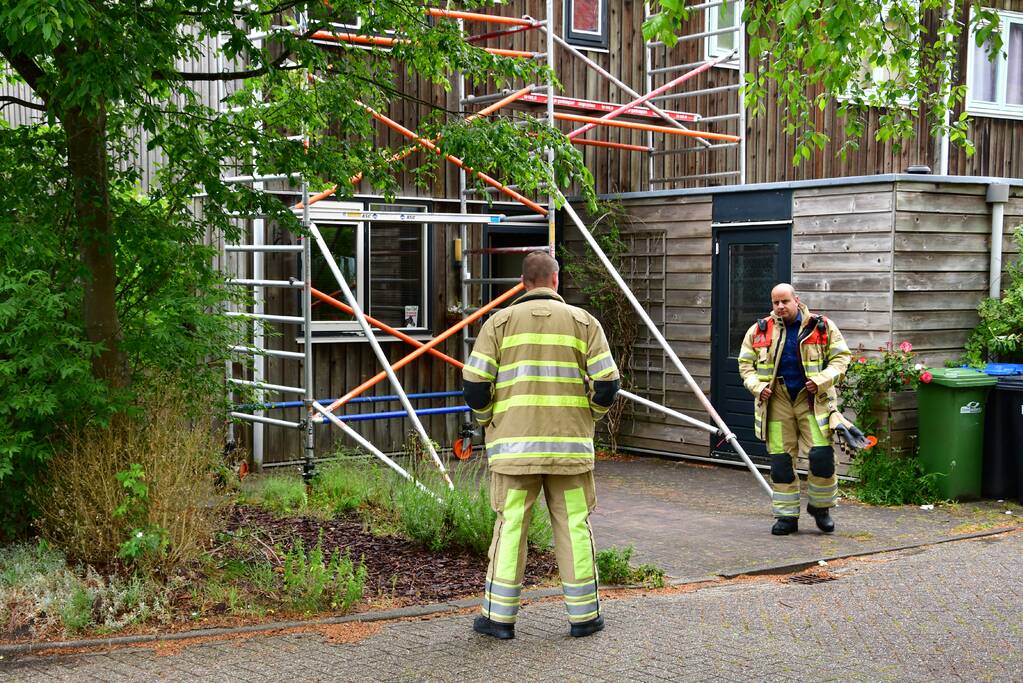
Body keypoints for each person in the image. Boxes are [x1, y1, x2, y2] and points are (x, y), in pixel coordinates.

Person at [462, 250, 620, 640]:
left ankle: (499, 620)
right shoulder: (584, 322)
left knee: (511, 526)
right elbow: (607, 385)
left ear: (522, 283)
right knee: (574, 527)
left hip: (514, 453)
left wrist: (488, 422)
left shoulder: (498, 322)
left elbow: (475, 386)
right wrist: (590, 416)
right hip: (569, 451)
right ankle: (584, 617)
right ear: (556, 280)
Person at [737, 283, 851, 536]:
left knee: (821, 456)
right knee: (781, 461)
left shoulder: (821, 327)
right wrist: (758, 387)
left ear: (796, 300)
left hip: (811, 401)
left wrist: (821, 380)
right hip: (777, 401)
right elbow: (745, 365)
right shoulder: (759, 330)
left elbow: (842, 358)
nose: (780, 307)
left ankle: (821, 508)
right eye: (775, 302)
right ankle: (786, 517)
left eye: (785, 302)